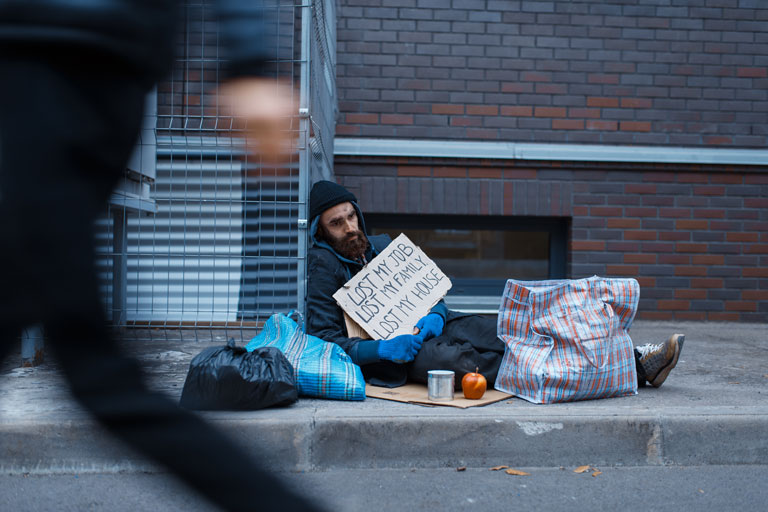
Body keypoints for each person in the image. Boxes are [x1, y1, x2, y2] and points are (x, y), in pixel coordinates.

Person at [0, 1, 321, 511]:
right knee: (89, 364)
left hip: (56, 57)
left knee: (95, 370)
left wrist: (248, 63)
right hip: (87, 59)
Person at [305, 180, 685, 390]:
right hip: (397, 356)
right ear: (321, 231)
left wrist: (436, 314)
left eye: (351, 215)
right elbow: (323, 337)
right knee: (456, 363)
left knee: (509, 331)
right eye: (337, 223)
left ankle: (633, 360)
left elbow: (430, 291)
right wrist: (380, 350)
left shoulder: (383, 244)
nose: (350, 227)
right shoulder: (324, 269)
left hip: (436, 324)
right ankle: (593, 374)